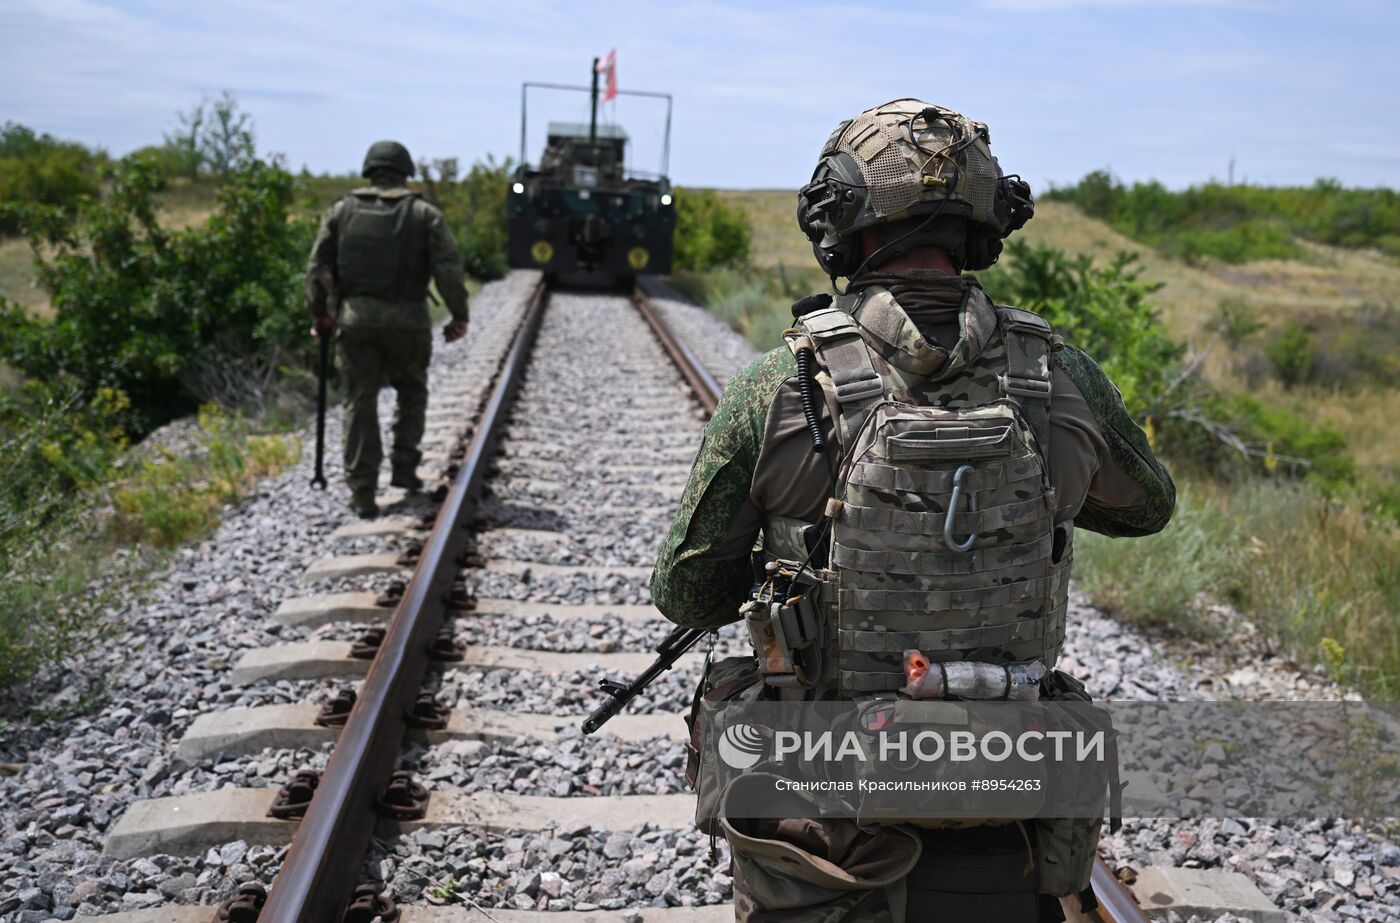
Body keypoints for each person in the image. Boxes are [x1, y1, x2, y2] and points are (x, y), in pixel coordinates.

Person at [651, 100, 1176, 922]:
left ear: (842, 220)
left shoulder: (777, 384)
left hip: (824, 834)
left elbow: (684, 592)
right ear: (982, 226)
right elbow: (1147, 508)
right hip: (1008, 816)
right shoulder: (1059, 373)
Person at [306, 140, 470, 518]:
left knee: (359, 402)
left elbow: (318, 267)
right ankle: (404, 469)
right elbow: (448, 268)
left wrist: (320, 315)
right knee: (411, 393)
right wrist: (458, 313)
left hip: (356, 323)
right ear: (404, 172)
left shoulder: (341, 211)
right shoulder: (424, 214)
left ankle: (363, 491)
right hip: (409, 324)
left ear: (370, 172)